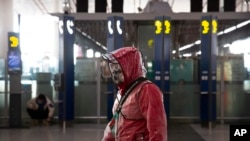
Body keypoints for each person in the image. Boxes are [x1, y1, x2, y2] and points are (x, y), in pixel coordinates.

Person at [100, 47, 167, 141]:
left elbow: (157, 130)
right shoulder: (122, 92)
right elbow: (115, 124)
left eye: (118, 66)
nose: (114, 71)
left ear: (129, 66)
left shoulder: (147, 90)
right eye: (113, 67)